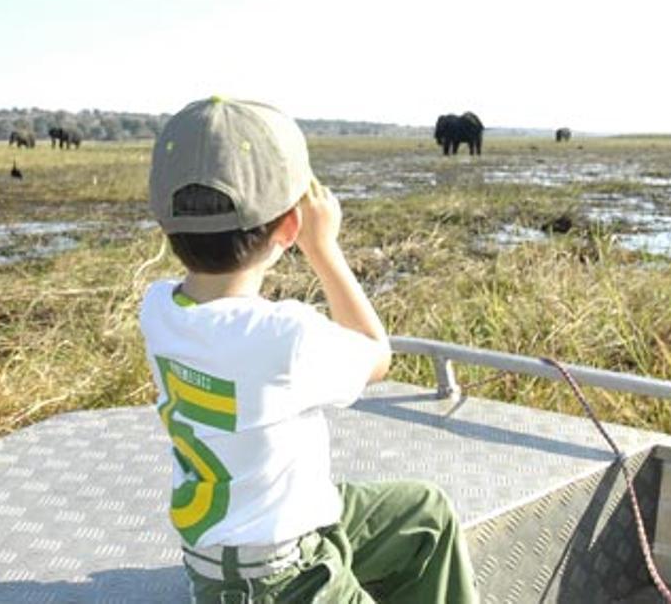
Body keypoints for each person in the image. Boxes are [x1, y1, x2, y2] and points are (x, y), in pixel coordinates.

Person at [138, 97, 478, 603]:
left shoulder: (157, 307)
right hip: (285, 576)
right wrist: (325, 249)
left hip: (223, 557)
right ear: (290, 228)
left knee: (426, 515)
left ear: (167, 225)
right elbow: (375, 354)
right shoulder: (285, 335)